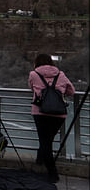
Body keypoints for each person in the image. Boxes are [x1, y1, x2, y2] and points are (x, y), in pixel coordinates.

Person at [28, 53, 75, 183]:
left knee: (45, 142)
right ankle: (40, 160)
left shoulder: (33, 74)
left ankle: (52, 173)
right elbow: (72, 91)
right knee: (47, 140)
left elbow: (31, 88)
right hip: (58, 114)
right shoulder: (61, 74)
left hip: (40, 112)